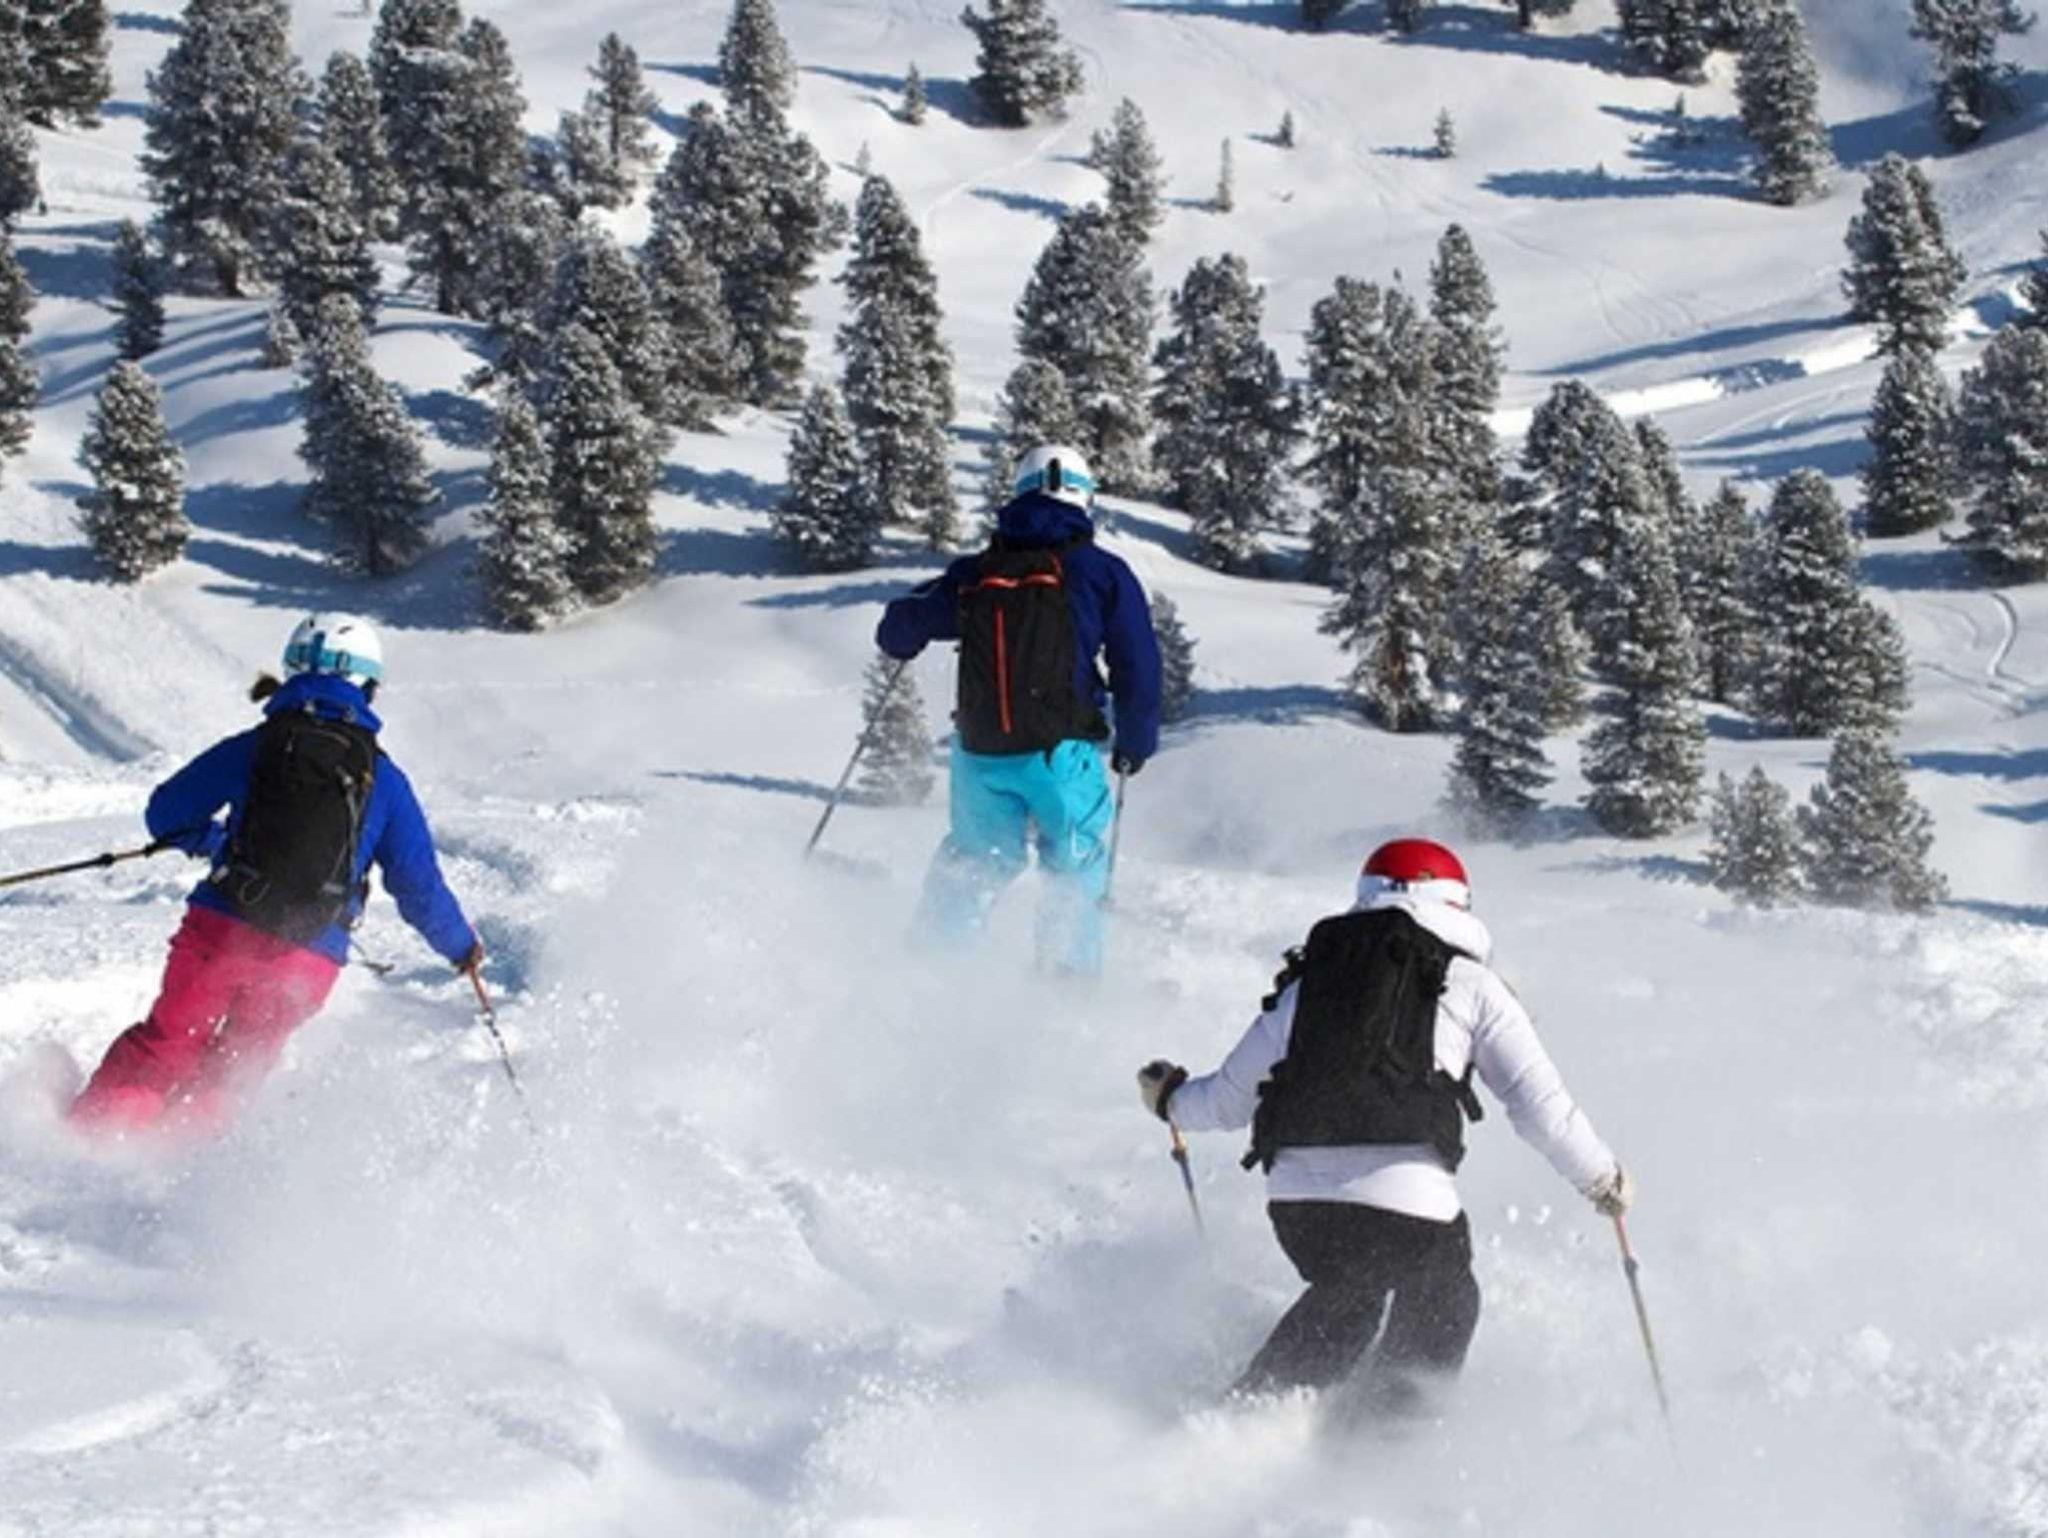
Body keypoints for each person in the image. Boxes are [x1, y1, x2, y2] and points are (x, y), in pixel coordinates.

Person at [1136, 838, 1631, 1412]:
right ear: (1458, 904)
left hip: (1297, 1202)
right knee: (1443, 1295)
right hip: (1408, 1197)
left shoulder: (1309, 983)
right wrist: (1603, 1180)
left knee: (1348, 1296)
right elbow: (1540, 1109)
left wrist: (1171, 1101)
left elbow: (1226, 1101)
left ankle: (1244, 1418)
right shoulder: (1471, 983)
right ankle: (1383, 1442)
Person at [69, 615, 481, 1136]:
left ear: (293, 672)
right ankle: (180, 1161)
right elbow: (417, 885)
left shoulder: (254, 746)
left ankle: (88, 1146)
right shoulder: (385, 779)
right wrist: (461, 947)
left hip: (223, 927)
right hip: (309, 953)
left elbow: (167, 813)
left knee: (169, 1043)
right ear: (368, 686)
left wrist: (215, 843)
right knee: (234, 1071)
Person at [876, 444, 1160, 975]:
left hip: (980, 753)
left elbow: (898, 629)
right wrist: (1136, 740)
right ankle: (1065, 980)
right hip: (1060, 755)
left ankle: (932, 968)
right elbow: (1137, 661)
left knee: (975, 859)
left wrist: (907, 629)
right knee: (1073, 865)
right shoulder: (1102, 572)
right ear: (1084, 496)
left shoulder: (977, 571)